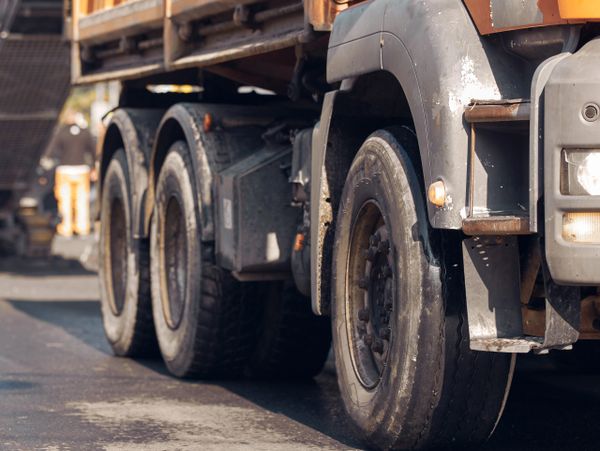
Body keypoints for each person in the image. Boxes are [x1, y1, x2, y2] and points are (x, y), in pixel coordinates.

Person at [46, 110, 96, 237]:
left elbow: (51, 152)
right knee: (82, 201)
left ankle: (66, 227)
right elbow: (94, 150)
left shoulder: (61, 132)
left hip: (64, 170)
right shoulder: (84, 132)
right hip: (82, 170)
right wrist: (94, 167)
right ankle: (82, 227)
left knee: (65, 200)